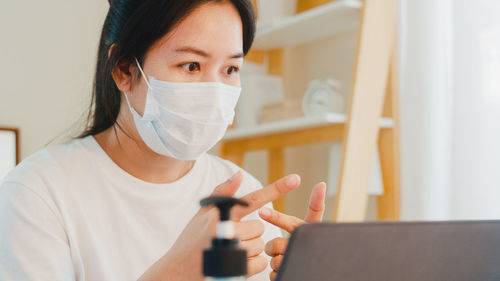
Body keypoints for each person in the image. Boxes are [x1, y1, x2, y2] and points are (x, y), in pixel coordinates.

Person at [0, 0, 326, 280]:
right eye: (191, 65)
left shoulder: (244, 194)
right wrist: (174, 272)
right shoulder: (37, 193)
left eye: (230, 69)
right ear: (124, 69)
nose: (214, 95)